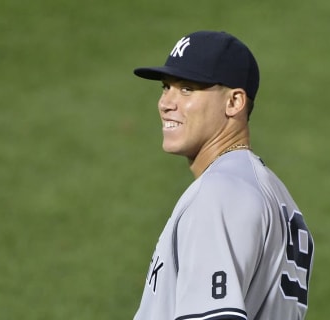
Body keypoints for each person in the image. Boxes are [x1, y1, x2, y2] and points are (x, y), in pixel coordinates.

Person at [131, 31, 314, 320]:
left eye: (187, 88)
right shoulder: (272, 192)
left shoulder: (220, 192)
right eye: (166, 87)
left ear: (234, 102)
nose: (166, 102)